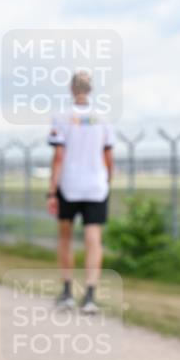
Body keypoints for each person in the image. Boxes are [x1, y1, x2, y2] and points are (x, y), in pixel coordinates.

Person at [46, 70, 114, 314]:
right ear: (91, 89)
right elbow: (108, 156)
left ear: (72, 89)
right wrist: (108, 181)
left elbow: (58, 156)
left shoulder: (62, 117)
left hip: (69, 184)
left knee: (65, 237)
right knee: (93, 240)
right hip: (96, 185)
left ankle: (66, 292)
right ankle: (90, 295)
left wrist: (52, 191)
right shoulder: (103, 118)